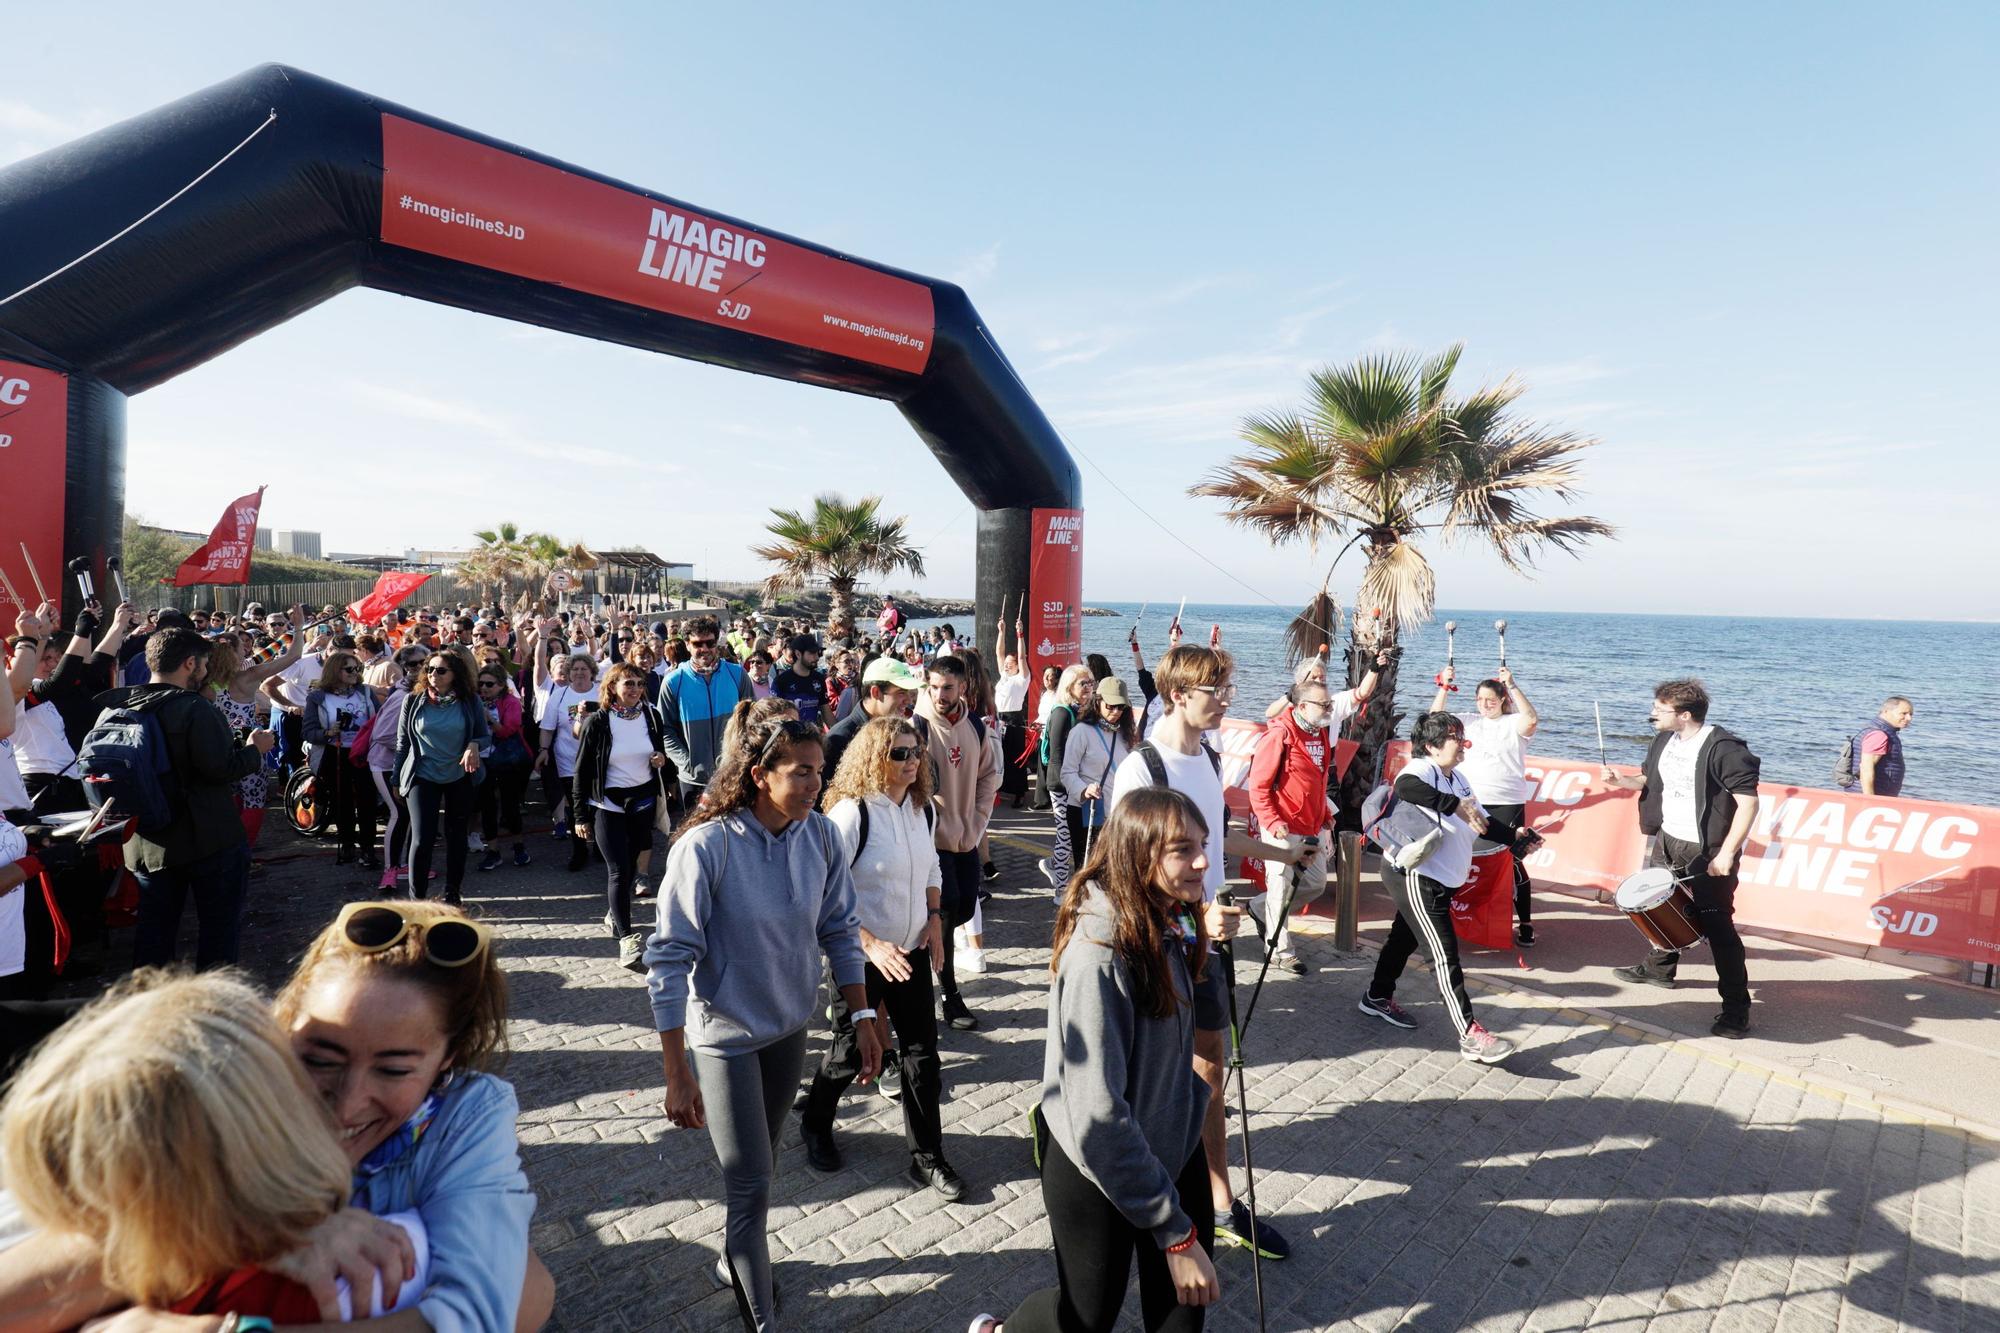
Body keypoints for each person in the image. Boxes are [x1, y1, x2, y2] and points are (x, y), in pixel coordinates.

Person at [645, 715, 880, 1328]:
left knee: (763, 1162)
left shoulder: (822, 836)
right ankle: (760, 1309)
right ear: (758, 776)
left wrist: (861, 1013)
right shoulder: (706, 847)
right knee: (749, 1177)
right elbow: (667, 961)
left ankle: (736, 1247)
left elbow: (839, 930)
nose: (814, 784)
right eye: (801, 772)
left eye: (819, 772)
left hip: (788, 1029)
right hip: (722, 1038)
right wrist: (676, 1070)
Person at [967, 787, 1219, 1333]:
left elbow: (1203, 1022)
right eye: (1182, 849)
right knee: (1085, 1319)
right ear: (1137, 854)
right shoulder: (1098, 956)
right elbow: (1099, 1115)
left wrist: (1209, 951)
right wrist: (1172, 1229)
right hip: (1095, 1163)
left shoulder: (1170, 917)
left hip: (1172, 1143)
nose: (1203, 859)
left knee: (1185, 1310)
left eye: (1203, 843)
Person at [1110, 644, 1296, 1261]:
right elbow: (1125, 873)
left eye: (1227, 687)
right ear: (1178, 694)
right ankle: (1146, 1193)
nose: (1227, 699)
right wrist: (1192, 915)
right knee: (1159, 1070)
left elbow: (1219, 841)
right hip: (1163, 941)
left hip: (1210, 939)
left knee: (1212, 1067)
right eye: (1216, 689)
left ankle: (1218, 1206)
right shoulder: (1143, 770)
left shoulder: (1211, 756)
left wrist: (1286, 856)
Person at [802, 716, 965, 1198]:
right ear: (876, 757)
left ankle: (927, 1155)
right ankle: (815, 1122)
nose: (912, 761)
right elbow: (824, 893)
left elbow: (933, 866)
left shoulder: (922, 810)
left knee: (922, 1057)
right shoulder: (853, 814)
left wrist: (934, 917)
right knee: (851, 1052)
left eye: (917, 753)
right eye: (900, 753)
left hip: (911, 953)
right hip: (860, 958)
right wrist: (870, 943)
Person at [94, 628, 275, 969]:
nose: (206, 672)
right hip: (208, 838)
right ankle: (212, 1010)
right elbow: (222, 768)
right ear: (190, 663)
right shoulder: (194, 708)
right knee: (218, 935)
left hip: (146, 842)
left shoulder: (115, 705)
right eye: (204, 664)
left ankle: (152, 1006)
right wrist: (255, 749)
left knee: (154, 935)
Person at [1601, 678, 1761, 1038]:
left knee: (1718, 928)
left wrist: (1726, 852)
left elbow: (1749, 803)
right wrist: (1621, 782)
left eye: (1659, 710)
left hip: (1706, 850)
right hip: (1669, 838)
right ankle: (1659, 969)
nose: (1651, 715)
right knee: (1657, 907)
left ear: (1685, 715)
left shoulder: (1724, 748)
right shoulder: (1664, 739)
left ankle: (1736, 1010)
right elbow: (1650, 779)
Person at [1359, 711, 1519, 1063]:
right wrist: (1452, 805)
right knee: (1443, 956)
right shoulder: (1420, 770)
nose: (1462, 743)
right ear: (1431, 746)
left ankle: (1376, 996)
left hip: (1442, 877)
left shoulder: (1458, 777)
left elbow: (1481, 821)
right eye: (1454, 737)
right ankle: (1470, 1036)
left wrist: (1516, 838)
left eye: (1462, 736)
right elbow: (1405, 788)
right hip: (1417, 876)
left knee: (1403, 938)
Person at [915, 654, 1001, 1032]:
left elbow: (989, 777)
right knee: (946, 913)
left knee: (966, 907)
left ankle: (927, 955)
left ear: (963, 687)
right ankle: (949, 997)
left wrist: (978, 821)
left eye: (947, 687)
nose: (939, 695)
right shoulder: (916, 726)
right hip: (932, 843)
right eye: (933, 687)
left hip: (966, 839)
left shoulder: (976, 728)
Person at [1432, 664, 1541, 946]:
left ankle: (1526, 923)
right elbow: (1433, 719)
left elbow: (1531, 718)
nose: (1484, 705)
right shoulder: (1468, 721)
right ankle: (1457, 917)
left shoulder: (1512, 722)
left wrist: (1513, 684)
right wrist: (1444, 686)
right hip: (1471, 802)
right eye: (1479, 699)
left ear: (1503, 699)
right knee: (1464, 857)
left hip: (1507, 802)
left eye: (1490, 699)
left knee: (1512, 862)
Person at [573, 663, 670, 971]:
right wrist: (580, 816)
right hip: (608, 804)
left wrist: (661, 760)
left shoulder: (651, 716)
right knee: (617, 871)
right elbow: (582, 771)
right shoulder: (599, 722)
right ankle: (627, 939)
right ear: (612, 686)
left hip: (641, 802)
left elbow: (660, 754)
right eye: (628, 683)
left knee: (629, 868)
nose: (635, 689)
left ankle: (615, 914)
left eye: (639, 684)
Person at [1245, 677, 1338, 975]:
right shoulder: (1279, 735)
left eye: (1330, 703)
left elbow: (1318, 781)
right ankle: (1279, 952)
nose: (1329, 709)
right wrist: (1273, 822)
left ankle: (1259, 910)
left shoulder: (1320, 732)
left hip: (1310, 825)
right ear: (1301, 706)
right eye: (1324, 705)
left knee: (1314, 883)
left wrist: (1324, 817)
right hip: (1283, 827)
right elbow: (1258, 786)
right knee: (1280, 887)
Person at [393, 651, 491, 906]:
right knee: (422, 837)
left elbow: (484, 734)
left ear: (455, 674)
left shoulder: (470, 701)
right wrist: (396, 778)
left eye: (441, 670)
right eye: (430, 669)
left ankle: (452, 892)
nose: (433, 675)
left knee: (456, 835)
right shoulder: (413, 700)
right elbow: (403, 743)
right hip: (422, 774)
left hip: (460, 774)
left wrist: (474, 744)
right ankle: (418, 900)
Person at [659, 615, 754, 809]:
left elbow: (751, 721)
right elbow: (665, 729)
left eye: (709, 642)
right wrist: (687, 763)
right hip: (693, 780)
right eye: (697, 643)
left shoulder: (737, 674)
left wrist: (742, 759)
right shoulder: (673, 682)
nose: (704, 649)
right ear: (687, 645)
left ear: (717, 642)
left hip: (732, 773)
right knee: (696, 834)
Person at [302, 648, 380, 869]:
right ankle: (347, 842)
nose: (354, 672)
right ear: (335, 671)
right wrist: (327, 733)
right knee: (342, 800)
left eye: (357, 668)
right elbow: (308, 731)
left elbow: (380, 719)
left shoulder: (364, 692)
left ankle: (367, 847)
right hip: (335, 753)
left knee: (367, 800)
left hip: (363, 753)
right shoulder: (318, 697)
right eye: (349, 669)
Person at [1059, 675, 1137, 891]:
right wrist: (1084, 789)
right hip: (1086, 809)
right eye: (1110, 705)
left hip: (1116, 813)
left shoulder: (1125, 735)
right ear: (1097, 701)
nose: (1115, 711)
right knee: (1087, 871)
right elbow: (1067, 773)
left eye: (1121, 707)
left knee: (1114, 870)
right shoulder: (1081, 732)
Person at [535, 652, 600, 874]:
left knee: (598, 806)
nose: (579, 673)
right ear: (569, 673)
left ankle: (601, 847)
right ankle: (579, 850)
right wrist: (543, 750)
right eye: (575, 669)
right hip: (567, 761)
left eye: (584, 669)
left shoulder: (602, 691)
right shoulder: (559, 696)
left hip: (600, 762)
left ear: (592, 671)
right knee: (576, 807)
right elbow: (547, 728)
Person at [368, 648, 426, 894]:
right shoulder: (403, 695)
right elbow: (382, 735)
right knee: (399, 814)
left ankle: (404, 865)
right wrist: (417, 747)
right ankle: (390, 870)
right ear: (403, 667)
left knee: (413, 815)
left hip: (407, 765)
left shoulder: (418, 692)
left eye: (425, 662)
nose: (421, 668)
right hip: (385, 764)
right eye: (414, 664)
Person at [1040, 665, 1097, 892]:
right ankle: (1061, 889)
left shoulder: (1079, 711)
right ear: (1069, 686)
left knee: (1068, 833)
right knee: (1065, 834)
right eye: (1082, 683)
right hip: (1061, 783)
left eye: (1090, 683)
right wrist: (1071, 786)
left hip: (1075, 783)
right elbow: (1056, 756)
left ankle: (1053, 865)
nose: (1088, 688)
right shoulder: (1062, 712)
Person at [823, 655, 922, 781]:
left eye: (909, 693)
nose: (908, 700)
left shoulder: (901, 732)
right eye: (901, 693)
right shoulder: (839, 739)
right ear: (875, 692)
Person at [475, 663, 534, 873]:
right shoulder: (474, 702)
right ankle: (493, 851)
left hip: (508, 761)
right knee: (487, 806)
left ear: (501, 685)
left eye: (489, 684)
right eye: (481, 684)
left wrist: (489, 719)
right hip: (482, 761)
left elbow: (507, 731)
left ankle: (519, 846)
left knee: (510, 806)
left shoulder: (511, 702)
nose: (484, 688)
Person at [1841, 696, 1915, 798]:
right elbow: (1866, 769)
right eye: (1904, 713)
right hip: (1868, 795)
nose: (1909, 718)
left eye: (1911, 714)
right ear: (1886, 711)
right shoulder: (1879, 734)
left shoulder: (1878, 729)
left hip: (1864, 793)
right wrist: (1870, 800)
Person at [993, 614, 1031, 808]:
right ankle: (1001, 788)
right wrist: (1002, 631)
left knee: (1016, 757)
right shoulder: (1004, 676)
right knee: (998, 755)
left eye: (1011, 663)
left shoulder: (1022, 678)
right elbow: (999, 654)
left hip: (1014, 719)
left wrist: (1019, 635)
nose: (1007, 665)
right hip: (998, 718)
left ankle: (1019, 793)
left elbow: (1022, 656)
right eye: (1006, 663)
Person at [770, 634, 827, 728]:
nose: (817, 657)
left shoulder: (819, 679)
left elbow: (826, 713)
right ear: (798, 654)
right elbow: (773, 717)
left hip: (812, 737)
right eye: (812, 653)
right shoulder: (781, 681)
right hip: (789, 738)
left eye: (818, 653)